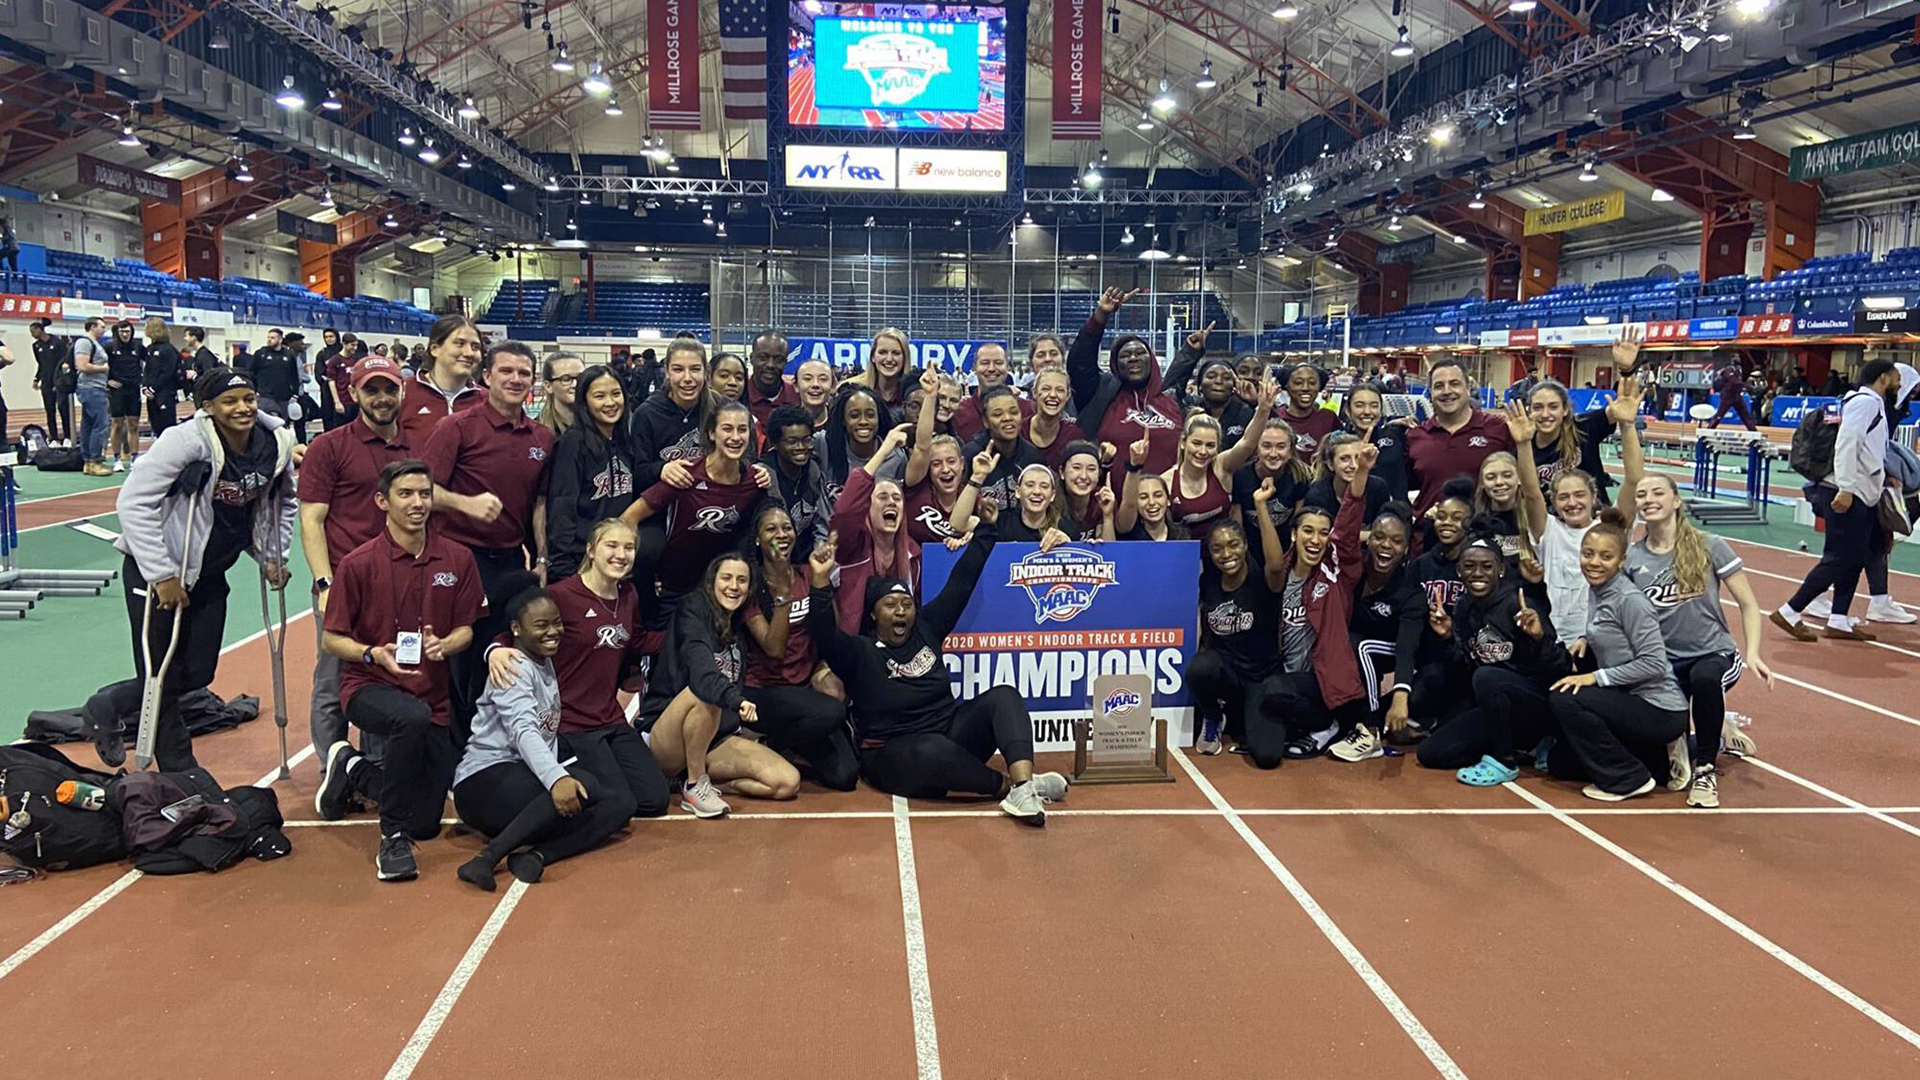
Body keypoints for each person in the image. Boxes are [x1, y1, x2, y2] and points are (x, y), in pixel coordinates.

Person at [82, 368, 297, 771]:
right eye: (229, 402)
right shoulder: (183, 442)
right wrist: (161, 575)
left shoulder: (276, 444)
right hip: (160, 570)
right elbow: (133, 503)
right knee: (157, 671)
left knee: (197, 673)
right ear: (208, 407)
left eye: (248, 398)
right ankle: (179, 765)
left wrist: (273, 555)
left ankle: (107, 704)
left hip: (211, 571)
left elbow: (282, 502)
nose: (242, 408)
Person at [807, 504, 1068, 823]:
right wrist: (819, 584)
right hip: (893, 755)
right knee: (930, 749)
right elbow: (823, 633)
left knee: (1003, 696)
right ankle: (1007, 786)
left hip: (949, 736)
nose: (901, 611)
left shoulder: (927, 627)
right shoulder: (859, 651)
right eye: (890, 605)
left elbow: (962, 582)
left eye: (906, 604)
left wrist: (987, 528)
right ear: (874, 615)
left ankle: (1024, 786)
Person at [318, 459, 486, 880]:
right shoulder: (357, 564)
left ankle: (353, 769)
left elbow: (466, 628)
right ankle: (391, 838)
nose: (417, 503)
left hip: (431, 697)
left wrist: (446, 644)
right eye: (405, 494)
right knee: (409, 718)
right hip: (369, 686)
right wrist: (374, 653)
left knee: (426, 823)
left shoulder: (458, 558)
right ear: (382, 501)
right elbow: (331, 640)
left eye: (424, 494)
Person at [485, 519, 671, 823]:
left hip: (611, 718)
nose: (621, 554)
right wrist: (494, 650)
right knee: (617, 801)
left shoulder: (629, 595)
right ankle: (552, 774)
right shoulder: (561, 595)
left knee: (654, 799)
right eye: (612, 545)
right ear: (591, 550)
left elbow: (636, 640)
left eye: (629, 548)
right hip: (571, 723)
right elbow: (514, 633)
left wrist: (686, 636)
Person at [451, 587, 634, 890]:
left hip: (520, 779)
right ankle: (486, 858)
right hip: (482, 783)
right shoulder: (514, 667)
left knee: (621, 804)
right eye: (541, 625)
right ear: (516, 630)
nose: (553, 631)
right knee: (580, 783)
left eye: (557, 622)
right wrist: (556, 779)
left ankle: (538, 856)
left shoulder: (545, 659)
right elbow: (524, 731)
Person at [424, 340, 554, 730]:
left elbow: (539, 505)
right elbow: (420, 491)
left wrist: (543, 557)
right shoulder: (456, 427)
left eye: (524, 373)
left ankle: (498, 745)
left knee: (504, 653)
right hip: (460, 559)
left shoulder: (541, 438)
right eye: (506, 371)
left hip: (511, 563)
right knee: (463, 658)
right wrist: (466, 504)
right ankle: (459, 754)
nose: (516, 379)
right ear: (486, 376)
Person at [1628, 474, 1775, 809]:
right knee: (1661, 769)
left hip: (1713, 653)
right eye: (1641, 494)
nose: (1648, 499)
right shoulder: (1632, 559)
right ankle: (1716, 731)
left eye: (1657, 493)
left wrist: (1753, 653)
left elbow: (1749, 605)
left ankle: (1706, 771)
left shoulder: (1710, 545)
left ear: (1676, 501)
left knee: (1705, 679)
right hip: (1663, 664)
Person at [300, 355, 415, 774]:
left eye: (389, 389)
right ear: (352, 393)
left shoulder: (416, 446)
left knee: (389, 675)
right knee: (333, 679)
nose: (382, 398)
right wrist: (324, 582)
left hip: (401, 583)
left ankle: (378, 767)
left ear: (402, 391)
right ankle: (333, 766)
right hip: (345, 584)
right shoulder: (328, 447)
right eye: (372, 389)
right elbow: (312, 519)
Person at [637, 554, 804, 817]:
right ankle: (694, 785)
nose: (733, 586)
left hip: (712, 738)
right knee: (707, 694)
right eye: (726, 578)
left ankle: (699, 782)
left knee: (786, 782)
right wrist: (737, 702)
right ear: (711, 581)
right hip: (666, 736)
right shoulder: (691, 610)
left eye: (742, 580)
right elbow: (703, 677)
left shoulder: (738, 625)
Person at [1242, 443, 1376, 766]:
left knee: (1272, 689)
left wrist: (1361, 473)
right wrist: (1261, 504)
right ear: (1294, 535)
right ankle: (1303, 725)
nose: (1315, 540)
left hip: (1322, 677)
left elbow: (1348, 523)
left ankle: (1327, 724)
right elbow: (1272, 561)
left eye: (1322, 533)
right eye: (1308, 532)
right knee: (1266, 756)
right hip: (1288, 679)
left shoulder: (1337, 572)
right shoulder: (1284, 573)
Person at [1543, 508, 1690, 801]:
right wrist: (1587, 638)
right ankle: (1661, 762)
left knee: (1564, 697)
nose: (1594, 562)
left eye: (1605, 557)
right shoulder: (1598, 590)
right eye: (1587, 554)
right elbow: (1611, 631)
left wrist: (1594, 677)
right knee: (1560, 763)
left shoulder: (1630, 600)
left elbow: (1654, 663)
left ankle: (1628, 779)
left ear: (1622, 561)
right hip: (1626, 700)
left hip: (1659, 708)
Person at [1412, 536, 1569, 783]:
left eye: (1486, 566)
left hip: (1536, 702)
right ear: (1459, 570)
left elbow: (1561, 667)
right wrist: (1448, 637)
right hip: (1494, 707)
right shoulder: (1464, 606)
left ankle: (1505, 759)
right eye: (1469, 566)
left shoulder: (1520, 604)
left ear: (1501, 569)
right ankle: (1519, 745)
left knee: (1487, 677)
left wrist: (1539, 639)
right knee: (1431, 754)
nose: (1477, 573)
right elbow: (1465, 665)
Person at [1772, 359, 1903, 642]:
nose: (1900, 384)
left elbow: (1868, 449)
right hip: (1847, 491)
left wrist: (1883, 476)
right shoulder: (1865, 403)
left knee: (1854, 557)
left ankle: (1839, 619)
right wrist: (1845, 487)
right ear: (1882, 378)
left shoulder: (1869, 404)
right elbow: (1847, 442)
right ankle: (1790, 610)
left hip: (1861, 491)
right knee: (1838, 558)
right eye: (1896, 378)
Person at [1514, 377, 1647, 647]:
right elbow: (1530, 491)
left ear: (1594, 496)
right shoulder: (1548, 530)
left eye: (1579, 495)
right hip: (1555, 638)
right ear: (1553, 500)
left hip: (1602, 640)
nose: (1572, 503)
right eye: (1563, 497)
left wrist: (1628, 425)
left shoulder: (1610, 529)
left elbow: (1634, 480)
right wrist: (1524, 444)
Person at [742, 505, 859, 791]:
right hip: (764, 690)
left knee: (845, 776)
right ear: (757, 538)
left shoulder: (807, 573)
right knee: (831, 713)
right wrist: (782, 596)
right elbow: (773, 649)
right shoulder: (750, 584)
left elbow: (827, 630)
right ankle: (771, 737)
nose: (781, 534)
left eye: (787, 528)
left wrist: (821, 579)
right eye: (771, 529)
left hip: (804, 689)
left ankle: (776, 742)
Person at [623, 399, 771, 621]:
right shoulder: (686, 474)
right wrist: (644, 574)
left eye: (742, 430)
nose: (735, 437)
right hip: (672, 591)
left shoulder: (755, 481)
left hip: (720, 594)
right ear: (712, 433)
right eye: (727, 429)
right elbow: (628, 519)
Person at [1327, 503, 1440, 763]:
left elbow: (1406, 647)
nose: (1386, 545)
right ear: (1369, 539)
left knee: (1359, 645)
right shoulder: (1355, 572)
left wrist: (1401, 694)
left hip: (1395, 652)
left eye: (1396, 541)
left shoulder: (1410, 591)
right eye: (1379, 537)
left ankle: (1370, 730)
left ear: (1406, 548)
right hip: (1362, 658)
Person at [1067, 287, 1183, 490]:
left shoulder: (1171, 401)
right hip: (1112, 505)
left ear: (1152, 360)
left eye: (1140, 353)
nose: (1133, 358)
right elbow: (1080, 363)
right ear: (1114, 364)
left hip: (1165, 506)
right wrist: (1100, 317)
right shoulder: (1101, 394)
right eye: (1124, 355)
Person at [1188, 516, 1281, 756]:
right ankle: (1213, 716)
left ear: (1246, 545)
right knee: (1199, 667)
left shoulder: (1264, 579)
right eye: (1217, 549)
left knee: (1267, 756)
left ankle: (1243, 718)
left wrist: (1260, 505)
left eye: (1233, 545)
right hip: (1226, 676)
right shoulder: (1208, 580)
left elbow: (1277, 566)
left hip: (1259, 679)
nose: (1226, 554)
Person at [827, 420, 919, 633]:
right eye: (882, 497)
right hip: (854, 648)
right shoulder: (851, 546)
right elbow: (845, 511)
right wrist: (885, 449)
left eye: (897, 498)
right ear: (866, 507)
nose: (891, 502)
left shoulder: (913, 554)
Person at [545, 366, 636, 578]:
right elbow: (562, 506)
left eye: (616, 394)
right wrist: (563, 567)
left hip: (618, 558)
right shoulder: (573, 443)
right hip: (583, 560)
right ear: (584, 402)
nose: (610, 403)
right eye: (599, 396)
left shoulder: (625, 441)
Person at [1405, 358, 1515, 515]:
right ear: (1430, 392)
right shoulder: (1415, 435)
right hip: (1428, 534)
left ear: (1468, 388)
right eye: (1439, 386)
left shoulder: (1496, 428)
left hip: (1483, 533)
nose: (1447, 391)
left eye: (1454, 383)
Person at [960, 385, 1048, 509]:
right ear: (985, 421)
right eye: (997, 414)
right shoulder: (971, 455)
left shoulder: (1033, 457)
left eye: (1014, 412)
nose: (1007, 418)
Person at [399, 315, 484, 443]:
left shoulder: (487, 400)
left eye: (475, 347)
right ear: (435, 349)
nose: (469, 353)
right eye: (460, 344)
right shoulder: (403, 393)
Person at [764, 404, 832, 560]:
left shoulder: (813, 470)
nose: (801, 447)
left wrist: (820, 545)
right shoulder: (765, 476)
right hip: (770, 561)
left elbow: (820, 519)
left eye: (806, 440)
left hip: (806, 558)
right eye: (791, 441)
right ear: (775, 443)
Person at [1304, 432, 1393, 528]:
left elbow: (1384, 531)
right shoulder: (1317, 495)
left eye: (1358, 458)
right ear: (1330, 464)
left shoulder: (1378, 488)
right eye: (1344, 459)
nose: (1354, 465)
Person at [949, 341, 1030, 442]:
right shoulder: (958, 413)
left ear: (1008, 367)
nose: (991, 368)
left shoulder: (1028, 410)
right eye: (985, 363)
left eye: (998, 363)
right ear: (974, 368)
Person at [1341, 383, 1409, 499]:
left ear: (1381, 409)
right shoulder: (1339, 444)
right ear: (1348, 410)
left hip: (1395, 513)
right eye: (1359, 405)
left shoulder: (1396, 435)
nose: (1367, 411)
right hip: (1354, 512)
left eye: (1374, 405)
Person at [1115, 438, 1189, 542]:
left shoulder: (1181, 535)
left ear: (1168, 500)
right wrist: (1135, 465)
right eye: (1143, 497)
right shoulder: (1128, 531)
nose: (1151, 502)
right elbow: (1129, 503)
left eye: (1158, 495)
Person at [103, 319, 146, 471]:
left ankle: (134, 458)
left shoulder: (138, 346)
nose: (125, 334)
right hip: (117, 390)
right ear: (118, 332)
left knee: (134, 425)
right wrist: (108, 381)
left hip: (134, 389)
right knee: (117, 424)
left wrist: (144, 381)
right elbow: (101, 364)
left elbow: (150, 364)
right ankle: (117, 459)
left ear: (132, 332)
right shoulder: (109, 347)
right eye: (122, 332)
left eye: (127, 331)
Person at [1024, 368, 1086, 472]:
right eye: (1046, 389)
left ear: (1068, 395)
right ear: (1034, 392)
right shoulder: (1019, 431)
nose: (1053, 395)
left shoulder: (1074, 435)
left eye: (1060, 390)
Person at [73, 318, 111, 474]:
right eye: (102, 327)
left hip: (95, 388)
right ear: (92, 327)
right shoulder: (84, 343)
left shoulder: (95, 344)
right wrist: (103, 368)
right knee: (100, 424)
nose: (104, 329)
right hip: (91, 388)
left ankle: (88, 462)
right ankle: (95, 461)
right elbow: (82, 365)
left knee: (88, 424)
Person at [1277, 363, 1340, 457]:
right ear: (1287, 386)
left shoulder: (1328, 418)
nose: (1305, 388)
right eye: (1298, 383)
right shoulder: (1275, 417)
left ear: (1320, 387)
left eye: (1312, 383)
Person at [847, 326, 913, 411]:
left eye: (896, 353)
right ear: (873, 357)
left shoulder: (914, 395)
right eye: (882, 352)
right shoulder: (852, 389)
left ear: (905, 358)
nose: (889, 359)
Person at [29, 320, 73, 446]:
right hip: (46, 383)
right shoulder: (36, 346)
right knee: (50, 411)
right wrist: (36, 379)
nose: (32, 334)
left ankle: (68, 437)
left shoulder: (57, 342)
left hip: (59, 382)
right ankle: (54, 438)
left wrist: (64, 380)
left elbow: (65, 363)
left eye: (33, 331)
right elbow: (41, 364)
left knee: (63, 409)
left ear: (40, 329)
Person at [142, 317, 187, 439]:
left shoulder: (168, 349)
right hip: (152, 395)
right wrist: (145, 387)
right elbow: (147, 370)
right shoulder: (149, 349)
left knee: (167, 426)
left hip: (165, 393)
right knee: (155, 424)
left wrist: (153, 388)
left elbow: (167, 372)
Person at [745, 332, 799, 430]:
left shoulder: (797, 397)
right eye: (763, 358)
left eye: (778, 360)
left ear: (786, 362)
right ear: (752, 359)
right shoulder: (740, 395)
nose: (770, 365)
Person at [536, 352, 586, 439]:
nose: (575, 384)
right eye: (566, 379)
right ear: (548, 386)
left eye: (580, 377)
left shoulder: (599, 425)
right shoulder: (536, 432)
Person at [1708, 358, 1758, 430]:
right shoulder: (1729, 369)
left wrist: (1745, 386)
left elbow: (1738, 381)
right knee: (1719, 414)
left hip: (1737, 396)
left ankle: (1753, 431)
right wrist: (1746, 385)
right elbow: (1733, 380)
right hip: (1728, 396)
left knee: (1745, 415)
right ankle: (1710, 428)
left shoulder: (1739, 370)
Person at [794, 357, 836, 431]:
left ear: (832, 386)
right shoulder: (784, 424)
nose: (815, 384)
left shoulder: (841, 423)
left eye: (823, 379)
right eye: (807, 379)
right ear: (796, 386)